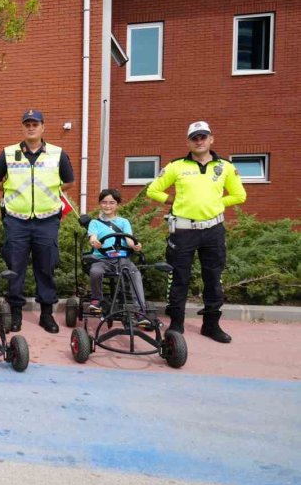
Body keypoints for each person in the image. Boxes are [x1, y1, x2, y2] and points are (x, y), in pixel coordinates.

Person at [146, 121, 246, 343]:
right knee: (179, 277)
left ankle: (211, 325)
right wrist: (172, 200)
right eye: (194, 137)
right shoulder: (176, 166)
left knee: (213, 278)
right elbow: (153, 190)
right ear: (188, 142)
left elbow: (239, 196)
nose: (199, 141)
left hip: (213, 231)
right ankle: (176, 324)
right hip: (183, 230)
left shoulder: (226, 167)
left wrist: (217, 204)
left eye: (203, 136)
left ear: (211, 139)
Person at [0, 109, 75, 333]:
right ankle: (15, 314)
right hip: (16, 220)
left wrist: (48, 194)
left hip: (47, 220)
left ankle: (47, 315)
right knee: (15, 268)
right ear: (22, 128)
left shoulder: (58, 153)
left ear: (43, 127)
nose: (31, 127)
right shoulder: (8, 153)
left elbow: (69, 182)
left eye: (35, 123)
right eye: (27, 123)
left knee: (46, 267)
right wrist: (10, 190)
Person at [86, 189, 151, 323]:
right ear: (100, 204)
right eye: (104, 202)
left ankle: (140, 311)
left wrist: (135, 245)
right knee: (95, 271)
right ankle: (96, 299)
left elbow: (129, 240)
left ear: (117, 205)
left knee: (135, 274)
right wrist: (94, 242)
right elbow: (92, 237)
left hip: (122, 258)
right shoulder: (95, 223)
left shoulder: (123, 222)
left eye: (111, 203)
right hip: (102, 259)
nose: (107, 206)